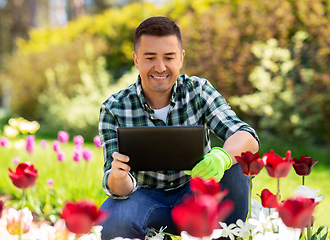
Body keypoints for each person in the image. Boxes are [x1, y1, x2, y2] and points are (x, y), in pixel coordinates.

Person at [98, 16, 259, 240]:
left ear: (181, 59)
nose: (160, 67)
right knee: (111, 223)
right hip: (144, 197)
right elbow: (117, 187)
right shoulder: (114, 108)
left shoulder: (199, 90)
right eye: (150, 57)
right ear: (136, 60)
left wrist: (222, 158)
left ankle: (224, 238)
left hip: (196, 193)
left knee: (236, 165)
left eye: (169, 57)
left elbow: (247, 137)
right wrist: (118, 176)